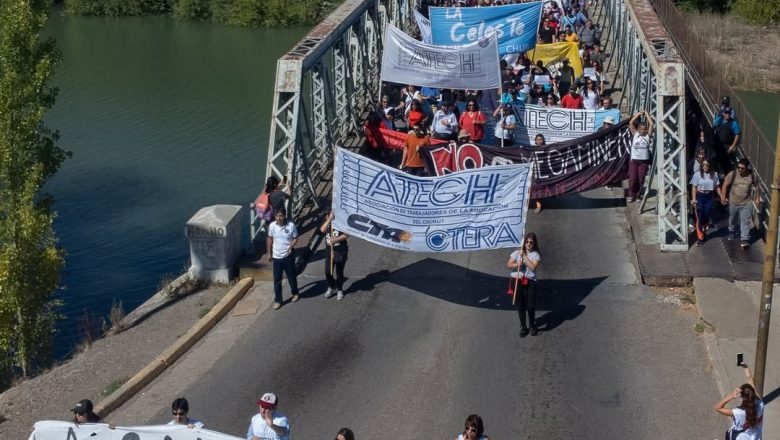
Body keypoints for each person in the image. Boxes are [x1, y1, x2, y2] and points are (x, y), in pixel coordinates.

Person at [714, 364, 764, 440]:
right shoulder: (760, 405)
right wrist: (746, 367)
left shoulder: (738, 413)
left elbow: (717, 408)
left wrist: (731, 396)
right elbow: (751, 382)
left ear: (741, 397)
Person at [722, 158, 762, 249]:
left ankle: (744, 239)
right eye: (739, 167)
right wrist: (723, 197)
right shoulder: (733, 174)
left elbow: (757, 187)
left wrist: (757, 198)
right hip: (733, 202)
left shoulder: (752, 176)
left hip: (746, 203)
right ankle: (731, 231)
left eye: (742, 168)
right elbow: (725, 184)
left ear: (747, 168)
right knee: (732, 219)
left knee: (745, 221)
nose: (740, 169)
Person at [507, 232, 541, 337]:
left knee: (530, 305)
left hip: (530, 280)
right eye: (527, 242)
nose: (528, 244)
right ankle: (523, 327)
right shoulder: (517, 252)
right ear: (524, 242)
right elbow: (508, 264)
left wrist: (524, 256)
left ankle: (532, 325)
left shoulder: (535, 255)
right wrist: (518, 263)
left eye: (531, 242)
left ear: (534, 243)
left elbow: (533, 267)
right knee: (520, 305)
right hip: (517, 279)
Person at [267, 208, 300, 310]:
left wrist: (291, 246)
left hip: (288, 256)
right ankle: (278, 300)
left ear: (285, 216)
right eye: (277, 216)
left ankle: (295, 293)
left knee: (291, 276)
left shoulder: (291, 226)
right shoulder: (272, 226)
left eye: (281, 216)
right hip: (277, 257)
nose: (279, 218)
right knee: (277, 280)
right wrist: (269, 253)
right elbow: (270, 239)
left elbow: (295, 238)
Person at [690, 159, 722, 247]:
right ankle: (700, 238)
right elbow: (694, 187)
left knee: (706, 217)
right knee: (699, 217)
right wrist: (694, 200)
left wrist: (722, 197)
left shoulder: (714, 175)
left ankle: (704, 231)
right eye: (703, 165)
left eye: (707, 165)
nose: (705, 166)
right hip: (700, 196)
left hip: (709, 197)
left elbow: (717, 187)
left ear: (710, 166)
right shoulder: (697, 174)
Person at [627, 110, 654, 203]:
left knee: (641, 179)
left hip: (644, 161)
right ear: (638, 129)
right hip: (634, 160)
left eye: (644, 129)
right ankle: (631, 194)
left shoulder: (647, 136)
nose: (643, 131)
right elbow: (631, 122)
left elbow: (651, 124)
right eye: (641, 129)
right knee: (633, 179)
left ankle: (638, 195)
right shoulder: (635, 134)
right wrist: (638, 114)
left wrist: (646, 114)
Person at [320, 211, 348, 300]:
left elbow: (347, 234)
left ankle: (339, 289)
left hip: (340, 249)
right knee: (328, 271)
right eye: (326, 215)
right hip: (329, 249)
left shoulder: (341, 222)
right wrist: (329, 219)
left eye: (327, 215)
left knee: (339, 271)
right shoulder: (327, 222)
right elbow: (322, 230)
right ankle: (332, 286)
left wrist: (337, 239)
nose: (326, 216)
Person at [531, 135, 545, 213]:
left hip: (545, 172)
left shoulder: (547, 149)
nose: (539, 141)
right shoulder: (532, 149)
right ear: (535, 141)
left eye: (541, 140)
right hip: (536, 172)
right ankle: (538, 205)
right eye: (538, 140)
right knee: (536, 188)